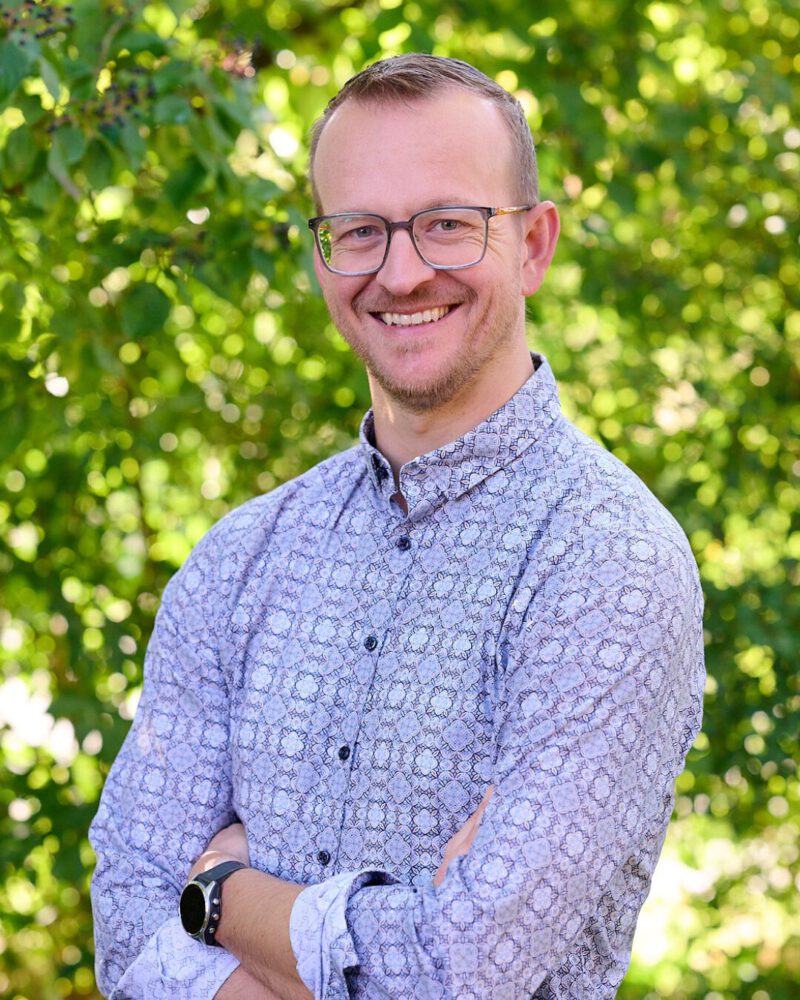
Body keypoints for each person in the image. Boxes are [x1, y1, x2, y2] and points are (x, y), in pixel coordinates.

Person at [90, 53, 705, 1000]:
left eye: (448, 224)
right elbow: (127, 924)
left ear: (534, 244)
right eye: (361, 231)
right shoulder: (239, 558)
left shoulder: (609, 561)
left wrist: (217, 894)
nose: (402, 272)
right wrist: (386, 935)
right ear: (322, 253)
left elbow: (461, 972)